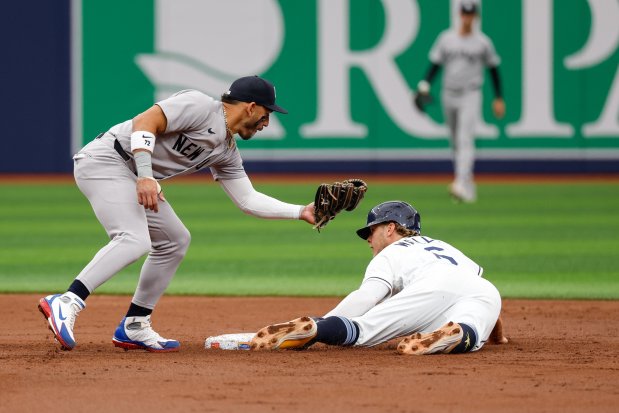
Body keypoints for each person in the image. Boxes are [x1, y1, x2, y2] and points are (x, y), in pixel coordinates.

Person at [38, 75, 316, 352]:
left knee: (175, 239)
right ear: (251, 107)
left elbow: (248, 199)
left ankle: (135, 325)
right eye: (266, 114)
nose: (266, 123)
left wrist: (301, 211)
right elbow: (145, 122)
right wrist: (146, 175)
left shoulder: (226, 150)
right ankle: (67, 301)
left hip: (132, 174)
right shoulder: (199, 105)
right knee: (134, 238)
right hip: (106, 160)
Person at [251, 200, 507, 355]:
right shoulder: (443, 246)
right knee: (469, 328)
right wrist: (495, 331)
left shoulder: (391, 253)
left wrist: (325, 324)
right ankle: (461, 332)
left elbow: (367, 297)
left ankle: (313, 328)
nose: (369, 240)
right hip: (486, 291)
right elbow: (470, 289)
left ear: (391, 228)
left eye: (371, 232)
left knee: (362, 332)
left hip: (431, 287)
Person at [415, 0, 505, 203]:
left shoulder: (482, 42)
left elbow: (493, 69)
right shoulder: (447, 39)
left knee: (465, 138)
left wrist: (498, 97)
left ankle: (460, 183)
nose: (467, 18)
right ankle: (467, 184)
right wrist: (424, 85)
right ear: (459, 15)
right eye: (464, 14)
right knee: (455, 140)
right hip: (449, 93)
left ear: (475, 17)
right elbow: (435, 65)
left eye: (470, 14)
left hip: (471, 93)